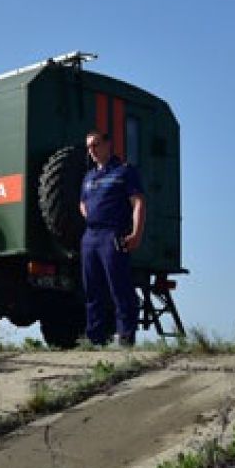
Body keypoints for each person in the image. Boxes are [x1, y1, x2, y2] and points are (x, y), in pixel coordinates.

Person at [79, 130, 146, 347]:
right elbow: (82, 203)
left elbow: (138, 203)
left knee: (119, 287)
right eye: (89, 147)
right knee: (92, 290)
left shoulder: (124, 172)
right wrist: (90, 214)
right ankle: (94, 338)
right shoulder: (89, 177)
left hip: (112, 235)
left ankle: (126, 336)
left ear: (108, 145)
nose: (92, 151)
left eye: (96, 145)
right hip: (90, 236)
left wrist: (136, 233)